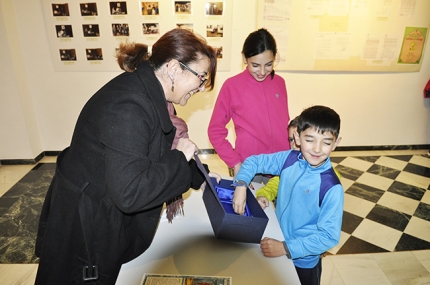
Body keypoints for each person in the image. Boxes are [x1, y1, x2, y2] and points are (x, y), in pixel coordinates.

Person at [34, 28, 217, 285]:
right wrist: (179, 158)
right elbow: (130, 192)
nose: (200, 87)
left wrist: (204, 178)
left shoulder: (147, 91)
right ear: (174, 68)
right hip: (87, 222)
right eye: (200, 77)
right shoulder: (128, 106)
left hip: (97, 202)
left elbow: (151, 149)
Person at [232, 105, 344, 285]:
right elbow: (253, 161)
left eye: (326, 142)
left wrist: (285, 248)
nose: (317, 149)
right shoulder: (289, 159)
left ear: (336, 143)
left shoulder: (331, 186)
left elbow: (329, 236)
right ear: (297, 137)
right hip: (277, 239)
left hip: (303, 261)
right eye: (310, 139)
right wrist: (241, 185)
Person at [208, 28, 290, 182]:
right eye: (255, 65)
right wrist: (235, 162)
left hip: (281, 164)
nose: (262, 71)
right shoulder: (232, 86)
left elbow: (284, 122)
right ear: (244, 58)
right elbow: (215, 130)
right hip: (250, 167)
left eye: (268, 64)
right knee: (251, 206)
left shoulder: (280, 83)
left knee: (280, 206)